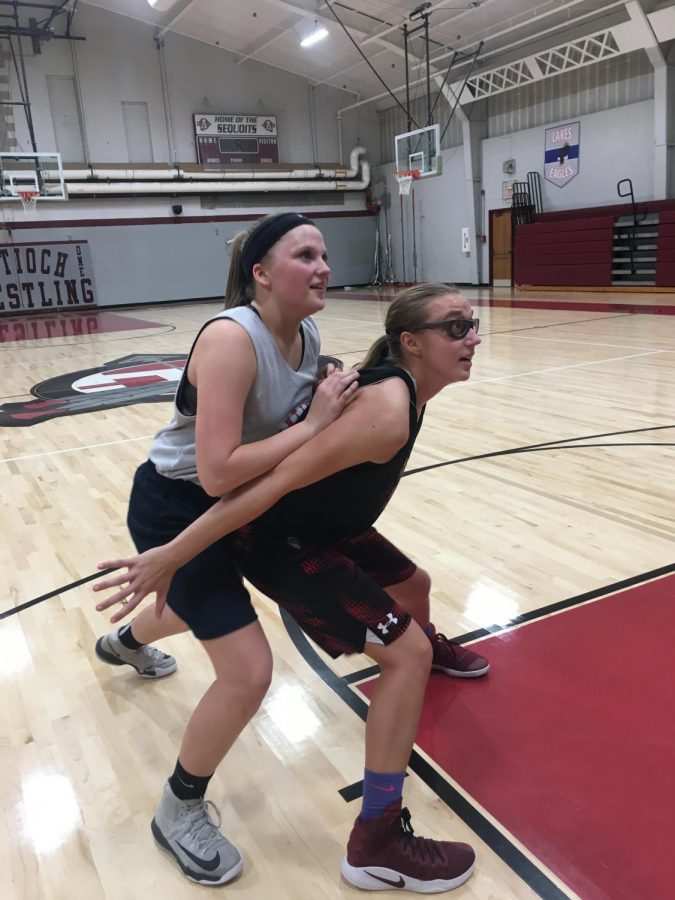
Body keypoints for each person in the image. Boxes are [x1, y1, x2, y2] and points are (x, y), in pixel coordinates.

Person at [95, 282, 489, 894]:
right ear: (411, 343)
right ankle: (377, 841)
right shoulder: (385, 408)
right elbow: (268, 487)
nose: (473, 338)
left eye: (473, 323)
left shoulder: (404, 389)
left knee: (415, 584)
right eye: (456, 328)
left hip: (328, 528)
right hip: (284, 542)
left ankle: (124, 641)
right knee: (398, 655)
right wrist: (172, 553)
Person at [93, 211, 359, 887]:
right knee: (247, 670)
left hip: (241, 501)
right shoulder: (230, 338)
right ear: (261, 274)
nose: (323, 265)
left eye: (324, 253)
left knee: (189, 610)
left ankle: (123, 643)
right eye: (305, 254)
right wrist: (318, 427)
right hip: (175, 505)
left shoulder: (306, 332)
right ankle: (177, 808)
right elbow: (216, 471)